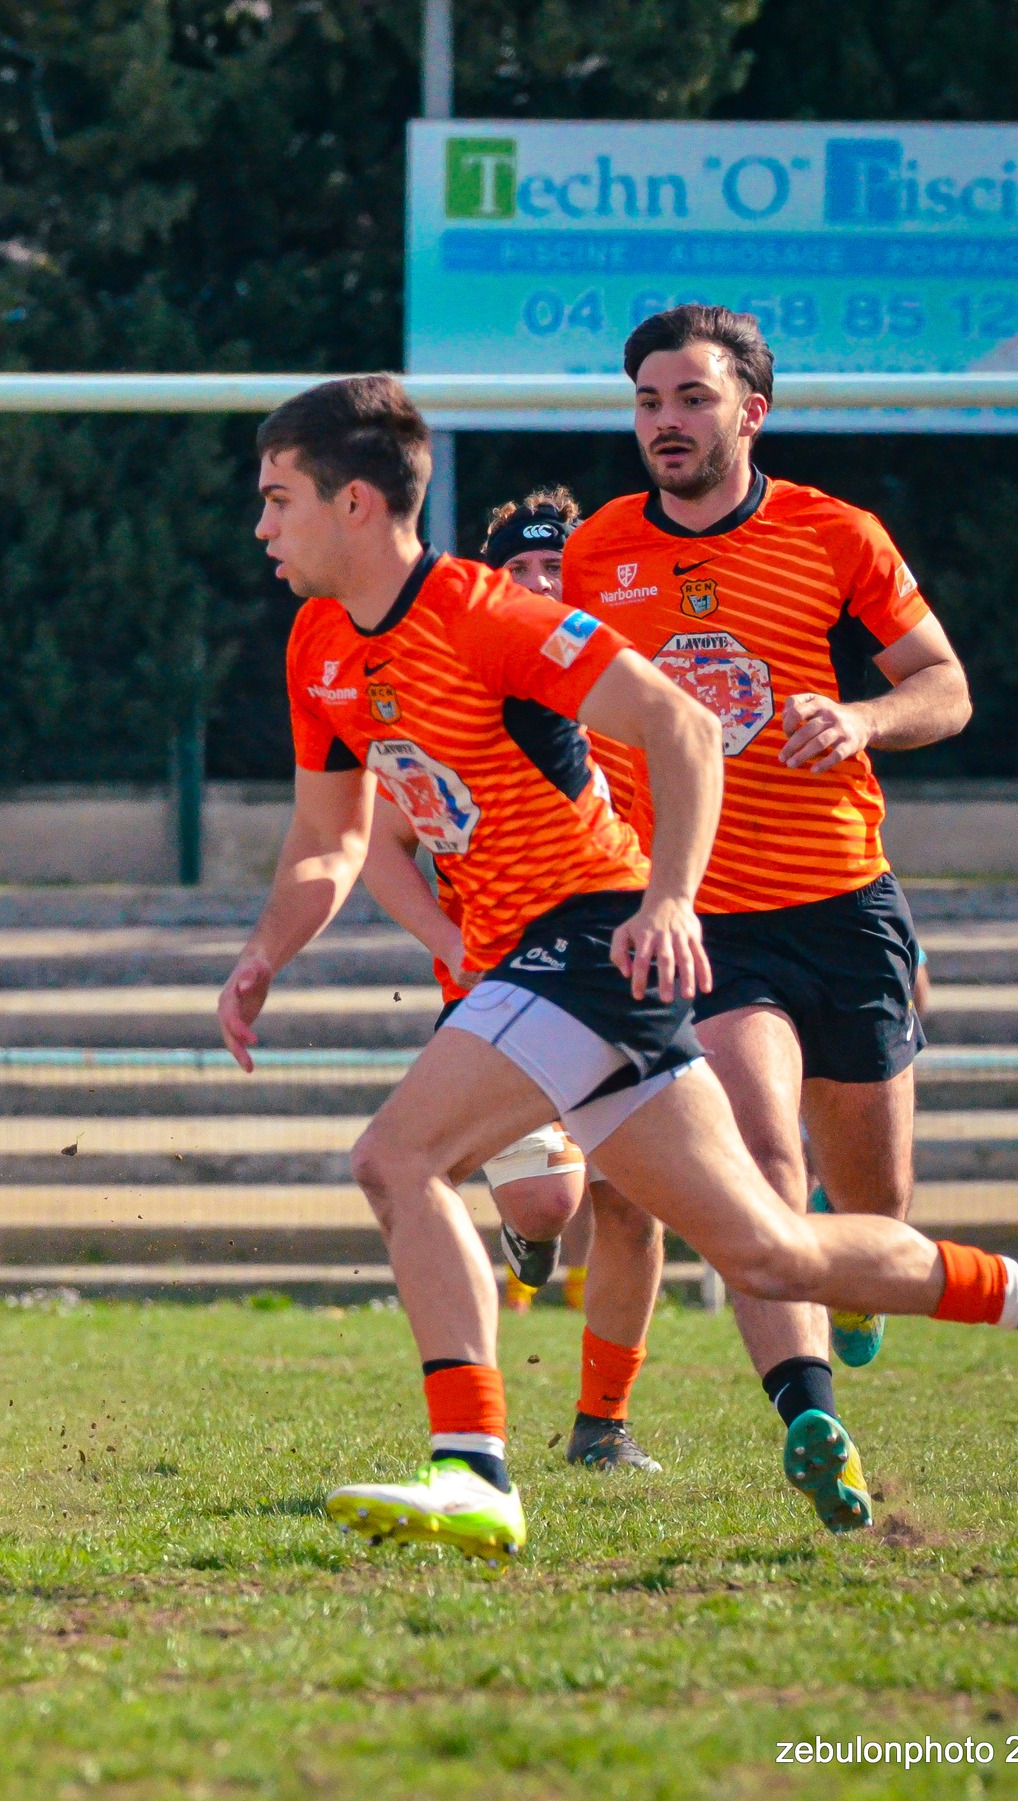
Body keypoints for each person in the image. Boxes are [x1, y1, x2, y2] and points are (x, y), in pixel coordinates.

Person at [219, 374, 1018, 1567]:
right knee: (769, 1248)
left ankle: (472, 1472)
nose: (261, 527)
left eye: (276, 499)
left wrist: (669, 898)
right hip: (540, 959)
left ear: (354, 502)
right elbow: (328, 841)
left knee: (395, 1156)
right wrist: (264, 950)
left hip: (595, 935)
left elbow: (678, 723)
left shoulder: (484, 613)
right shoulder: (317, 644)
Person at [563, 303, 968, 1525]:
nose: (665, 421)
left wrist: (857, 717)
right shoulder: (595, 553)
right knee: (755, 1143)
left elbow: (941, 686)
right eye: (646, 400)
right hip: (698, 915)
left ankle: (853, 1277)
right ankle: (810, 1417)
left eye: (690, 397)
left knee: (874, 1196)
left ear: (752, 409)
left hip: (842, 902)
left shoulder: (832, 532)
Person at [357, 484, 664, 1474]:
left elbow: (701, 807)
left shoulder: (625, 702)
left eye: (558, 570)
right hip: (506, 980)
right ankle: (473, 1440)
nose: (541, 583)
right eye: (521, 570)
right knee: (541, 1203)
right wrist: (451, 939)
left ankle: (601, 1426)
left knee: (645, 1204)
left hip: (618, 965)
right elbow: (372, 837)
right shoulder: (471, 688)